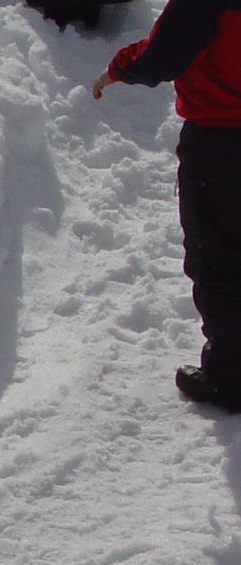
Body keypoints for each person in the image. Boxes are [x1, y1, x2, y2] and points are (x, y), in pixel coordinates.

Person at [95, 0, 241, 410]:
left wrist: (117, 68)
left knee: (220, 258)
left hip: (222, 143)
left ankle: (230, 379)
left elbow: (163, 55)